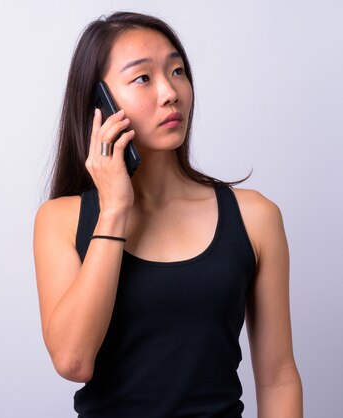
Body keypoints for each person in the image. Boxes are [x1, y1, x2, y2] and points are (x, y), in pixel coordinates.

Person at [33, 11, 303, 418]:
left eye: (177, 71)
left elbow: (279, 376)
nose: (170, 91)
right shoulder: (61, 220)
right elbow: (73, 361)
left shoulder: (255, 217)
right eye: (143, 78)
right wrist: (115, 210)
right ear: (100, 106)